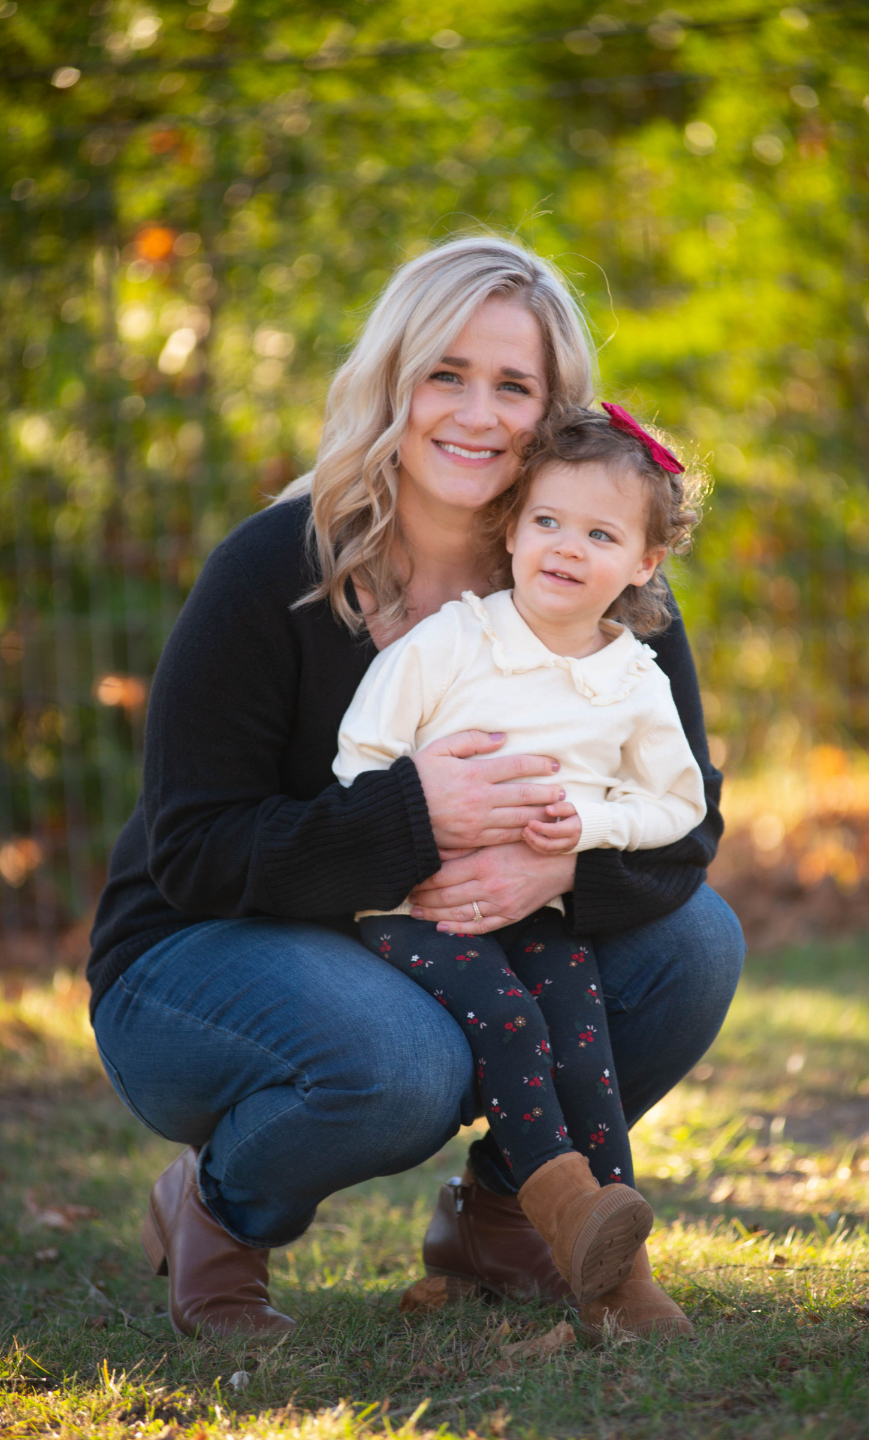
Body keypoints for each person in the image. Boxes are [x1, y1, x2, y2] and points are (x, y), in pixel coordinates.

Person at [87, 233, 744, 1341]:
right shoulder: (272, 568)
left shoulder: (593, 577)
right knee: (403, 1062)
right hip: (203, 953)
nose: (476, 415)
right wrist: (415, 818)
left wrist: (556, 869)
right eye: (446, 373)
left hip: (462, 938)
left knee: (695, 944)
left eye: (514, 387)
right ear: (394, 381)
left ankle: (511, 1221)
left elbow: (688, 826)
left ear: (555, 415)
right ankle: (218, 1209)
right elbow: (194, 850)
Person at [334, 403, 707, 1312]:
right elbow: (359, 760)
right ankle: (567, 1218)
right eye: (547, 521)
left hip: (537, 908)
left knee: (582, 1037)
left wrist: (590, 827)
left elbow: (680, 805)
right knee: (509, 1020)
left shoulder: (634, 679)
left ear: (644, 562)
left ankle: (621, 1279)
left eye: (600, 534)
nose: (567, 547)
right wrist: (418, 828)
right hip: (416, 909)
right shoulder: (453, 641)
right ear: (511, 531)